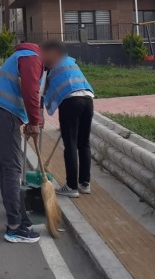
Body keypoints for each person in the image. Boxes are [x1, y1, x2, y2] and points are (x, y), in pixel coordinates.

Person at [0, 41, 61, 244]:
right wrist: (34, 122)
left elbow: (27, 91)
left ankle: (15, 216)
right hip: (4, 114)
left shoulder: (25, 56)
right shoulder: (31, 58)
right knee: (12, 168)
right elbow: (30, 90)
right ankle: (14, 227)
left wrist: (28, 121)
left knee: (6, 167)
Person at [41, 40, 95, 198]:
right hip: (88, 98)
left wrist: (39, 117)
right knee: (84, 143)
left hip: (70, 101)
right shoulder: (69, 61)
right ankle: (85, 183)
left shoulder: (46, 66)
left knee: (70, 144)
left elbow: (40, 93)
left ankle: (71, 186)